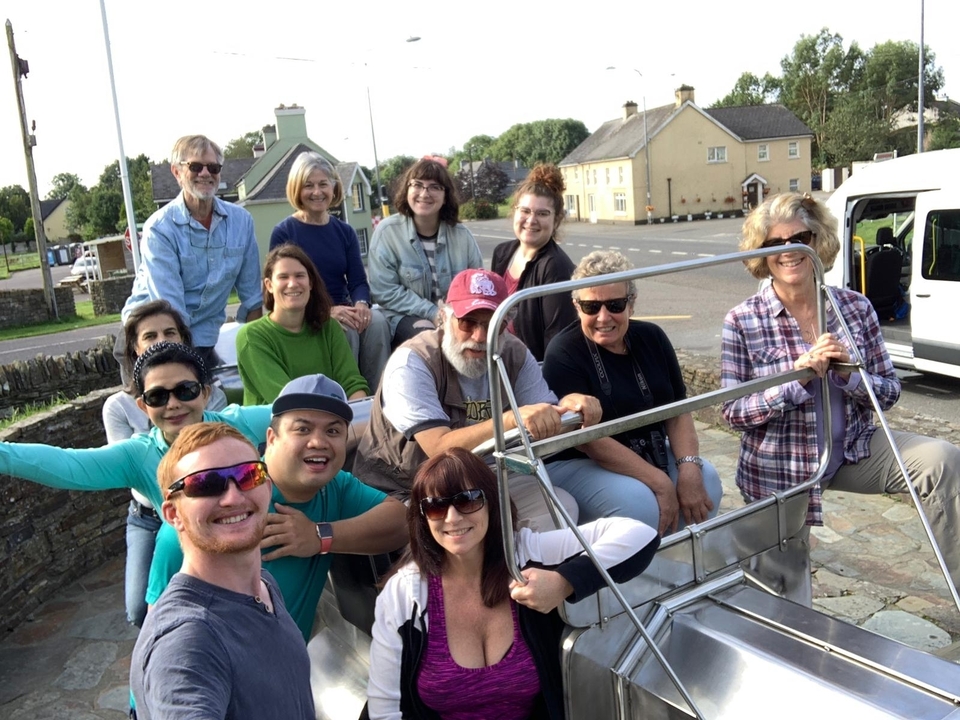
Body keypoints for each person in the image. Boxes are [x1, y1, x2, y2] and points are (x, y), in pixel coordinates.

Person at [721, 192, 960, 594]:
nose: (789, 251)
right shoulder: (742, 320)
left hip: (852, 448)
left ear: (818, 242)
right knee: (783, 585)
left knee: (941, 461)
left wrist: (850, 375)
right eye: (774, 244)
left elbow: (889, 392)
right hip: (782, 466)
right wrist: (795, 381)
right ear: (761, 255)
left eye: (800, 238)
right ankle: (791, 641)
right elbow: (733, 412)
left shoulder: (856, 307)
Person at [366, 448, 660, 720]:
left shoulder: (527, 553)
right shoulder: (405, 593)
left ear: (492, 504)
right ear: (422, 517)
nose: (452, 517)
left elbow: (639, 534)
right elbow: (385, 711)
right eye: (436, 506)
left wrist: (564, 581)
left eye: (468, 499)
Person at [146, 374, 409, 640]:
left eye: (333, 431)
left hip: (290, 668)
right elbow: (158, 637)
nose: (318, 442)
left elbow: (401, 521)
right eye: (302, 429)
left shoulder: (334, 486)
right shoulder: (201, 522)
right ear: (271, 438)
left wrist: (320, 537)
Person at [355, 268, 602, 531]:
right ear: (445, 317)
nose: (480, 337)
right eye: (468, 322)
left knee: (558, 508)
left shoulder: (514, 353)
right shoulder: (413, 361)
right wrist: (510, 420)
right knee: (469, 536)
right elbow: (440, 448)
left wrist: (572, 408)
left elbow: (546, 423)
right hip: (407, 489)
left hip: (478, 480)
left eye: (493, 324)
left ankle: (525, 573)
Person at [130, 423, 314, 719]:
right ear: (174, 514)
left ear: (267, 487)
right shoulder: (188, 639)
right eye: (205, 484)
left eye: (248, 475)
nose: (233, 497)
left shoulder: (263, 586)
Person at [542, 250, 723, 536]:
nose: (603, 317)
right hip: (578, 459)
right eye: (591, 307)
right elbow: (589, 440)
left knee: (707, 479)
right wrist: (660, 483)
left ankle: (684, 567)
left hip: (644, 447)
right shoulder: (563, 351)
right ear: (576, 306)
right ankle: (637, 578)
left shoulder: (652, 337)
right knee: (641, 503)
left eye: (615, 304)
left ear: (632, 304)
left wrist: (688, 468)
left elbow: (677, 411)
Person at [0, 341, 270, 515]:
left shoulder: (236, 424)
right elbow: (70, 464)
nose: (173, 404)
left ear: (206, 393)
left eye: (185, 390)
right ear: (143, 406)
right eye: (157, 396)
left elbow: (301, 410)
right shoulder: (138, 456)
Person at [102, 300, 229, 627]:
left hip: (206, 507)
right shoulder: (118, 407)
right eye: (150, 335)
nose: (161, 340)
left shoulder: (208, 395)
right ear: (134, 348)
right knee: (139, 609)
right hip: (150, 516)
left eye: (169, 332)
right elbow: (128, 465)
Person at [120, 134, 263, 374]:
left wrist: (258, 355)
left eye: (213, 167)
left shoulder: (242, 222)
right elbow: (169, 308)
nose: (205, 173)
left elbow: (253, 299)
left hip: (204, 338)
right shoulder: (159, 228)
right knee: (158, 409)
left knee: (213, 406)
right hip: (152, 339)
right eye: (195, 166)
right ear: (176, 172)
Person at [270, 151, 390, 390]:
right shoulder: (284, 232)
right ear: (297, 189)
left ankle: (378, 399)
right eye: (308, 185)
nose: (317, 192)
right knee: (344, 330)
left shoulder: (344, 231)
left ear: (333, 188)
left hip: (344, 306)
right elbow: (283, 287)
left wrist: (362, 305)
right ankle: (346, 399)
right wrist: (327, 310)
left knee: (377, 322)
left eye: (323, 184)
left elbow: (357, 279)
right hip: (307, 310)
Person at [367, 157, 483, 345]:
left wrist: (454, 317)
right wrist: (433, 313)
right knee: (430, 338)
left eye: (435, 187)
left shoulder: (462, 235)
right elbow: (384, 291)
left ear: (446, 196)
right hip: (404, 315)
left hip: (457, 317)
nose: (424, 193)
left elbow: (477, 284)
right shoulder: (388, 232)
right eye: (417, 185)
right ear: (407, 190)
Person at [236, 244, 368, 405]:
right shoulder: (252, 336)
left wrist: (358, 416)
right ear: (269, 285)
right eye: (283, 277)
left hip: (332, 422)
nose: (292, 283)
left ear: (310, 283)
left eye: (299, 276)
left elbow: (352, 383)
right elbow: (288, 401)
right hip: (275, 427)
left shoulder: (329, 327)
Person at [491, 164, 577, 361]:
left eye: (542, 213)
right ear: (515, 212)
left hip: (530, 371)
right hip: (501, 363)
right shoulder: (502, 253)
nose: (531, 220)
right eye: (525, 211)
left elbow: (557, 341)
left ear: (556, 221)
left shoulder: (555, 268)